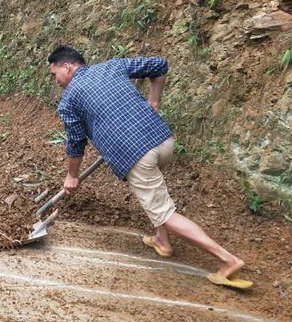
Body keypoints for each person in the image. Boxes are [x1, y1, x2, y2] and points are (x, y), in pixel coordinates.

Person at [47, 45, 251, 289]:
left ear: (67, 67)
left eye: (54, 74)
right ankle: (162, 241)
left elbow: (76, 143)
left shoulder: (69, 100)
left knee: (163, 210)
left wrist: (72, 176)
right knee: (154, 197)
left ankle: (228, 260)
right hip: (163, 141)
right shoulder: (113, 66)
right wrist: (153, 101)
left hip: (137, 155)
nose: (56, 80)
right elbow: (160, 65)